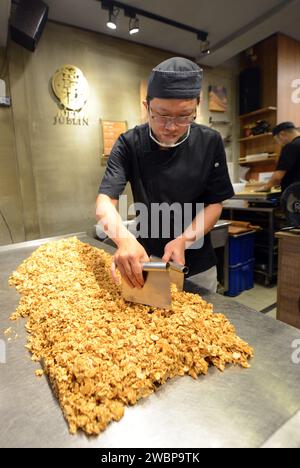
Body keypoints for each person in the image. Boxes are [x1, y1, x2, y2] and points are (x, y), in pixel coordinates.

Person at [96, 57, 234, 293]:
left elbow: (214, 204)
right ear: (146, 106)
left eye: (183, 116)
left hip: (197, 266)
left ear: (196, 107)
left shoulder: (209, 141)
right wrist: (125, 239)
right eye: (161, 115)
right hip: (146, 263)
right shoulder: (129, 143)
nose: (170, 126)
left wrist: (183, 240)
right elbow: (104, 203)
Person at [256, 122, 300, 193]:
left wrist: (266, 187)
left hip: (296, 195)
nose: (280, 144)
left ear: (282, 134)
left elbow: (278, 176)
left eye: (278, 140)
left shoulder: (291, 146)